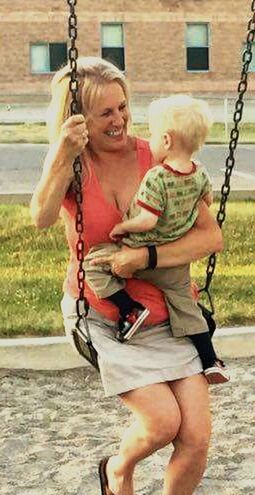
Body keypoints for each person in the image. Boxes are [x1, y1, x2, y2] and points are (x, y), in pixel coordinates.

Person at [30, 56, 224, 495]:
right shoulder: (73, 164)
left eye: (123, 107)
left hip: (166, 309)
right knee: (162, 423)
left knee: (197, 435)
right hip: (105, 311)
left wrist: (148, 258)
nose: (117, 121)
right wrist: (58, 155)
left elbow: (209, 238)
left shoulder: (158, 157)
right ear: (76, 120)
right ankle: (119, 469)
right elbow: (41, 218)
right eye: (102, 114)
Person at [84, 93, 229, 385]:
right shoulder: (199, 174)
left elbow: (147, 220)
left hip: (140, 250)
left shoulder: (157, 177)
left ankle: (129, 310)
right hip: (173, 262)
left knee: (93, 264)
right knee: (185, 303)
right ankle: (210, 359)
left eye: (152, 135)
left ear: (166, 140)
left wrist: (122, 229)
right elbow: (208, 199)